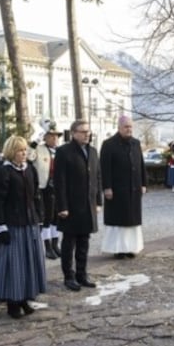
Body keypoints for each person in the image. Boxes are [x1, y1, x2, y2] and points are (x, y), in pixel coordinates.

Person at [0, 136, 46, 319]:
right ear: (12, 152)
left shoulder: (30, 170)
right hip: (13, 224)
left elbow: (36, 196)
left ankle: (25, 297)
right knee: (14, 264)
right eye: (20, 150)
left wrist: (39, 218)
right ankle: (12, 302)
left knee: (29, 262)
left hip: (29, 223)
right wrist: (1, 226)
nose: (24, 153)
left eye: (25, 150)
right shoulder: (4, 172)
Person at [54, 120, 102, 291]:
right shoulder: (64, 152)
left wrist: (98, 201)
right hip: (71, 206)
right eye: (83, 131)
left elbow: (97, 178)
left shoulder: (93, 152)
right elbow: (59, 181)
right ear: (74, 133)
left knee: (84, 241)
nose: (87, 134)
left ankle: (82, 274)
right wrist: (62, 206)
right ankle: (69, 276)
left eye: (88, 131)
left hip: (88, 205)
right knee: (69, 242)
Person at [100, 115, 147, 260]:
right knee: (119, 220)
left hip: (134, 188)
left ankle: (131, 248)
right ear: (119, 127)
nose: (129, 129)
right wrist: (107, 187)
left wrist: (144, 183)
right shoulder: (108, 144)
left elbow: (141, 165)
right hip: (117, 189)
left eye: (131, 126)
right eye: (126, 127)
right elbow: (105, 168)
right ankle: (118, 249)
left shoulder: (136, 143)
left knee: (132, 220)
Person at [32, 121, 64, 260]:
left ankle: (55, 244)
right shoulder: (39, 149)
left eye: (57, 136)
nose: (55, 139)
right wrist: (34, 142)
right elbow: (28, 156)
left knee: (57, 217)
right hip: (44, 188)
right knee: (46, 217)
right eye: (51, 136)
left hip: (58, 187)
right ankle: (47, 246)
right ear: (45, 137)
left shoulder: (61, 151)